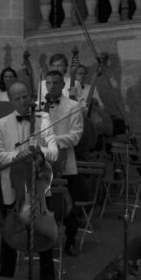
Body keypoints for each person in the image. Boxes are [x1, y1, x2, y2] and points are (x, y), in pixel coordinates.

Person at [0, 80, 59, 280]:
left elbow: (54, 153)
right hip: (15, 186)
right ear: (11, 100)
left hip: (39, 186)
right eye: (18, 97)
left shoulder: (43, 118)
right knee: (11, 232)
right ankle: (6, 278)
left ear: (30, 97)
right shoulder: (2, 124)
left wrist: (37, 150)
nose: (23, 101)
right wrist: (16, 155)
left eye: (25, 96)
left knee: (43, 233)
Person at [41, 68, 84, 257]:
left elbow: (76, 135)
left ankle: (71, 240)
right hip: (44, 163)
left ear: (63, 84)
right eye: (48, 83)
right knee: (44, 202)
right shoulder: (40, 105)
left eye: (55, 83)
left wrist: (54, 141)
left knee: (70, 205)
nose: (51, 86)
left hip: (65, 162)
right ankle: (44, 240)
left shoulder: (73, 106)